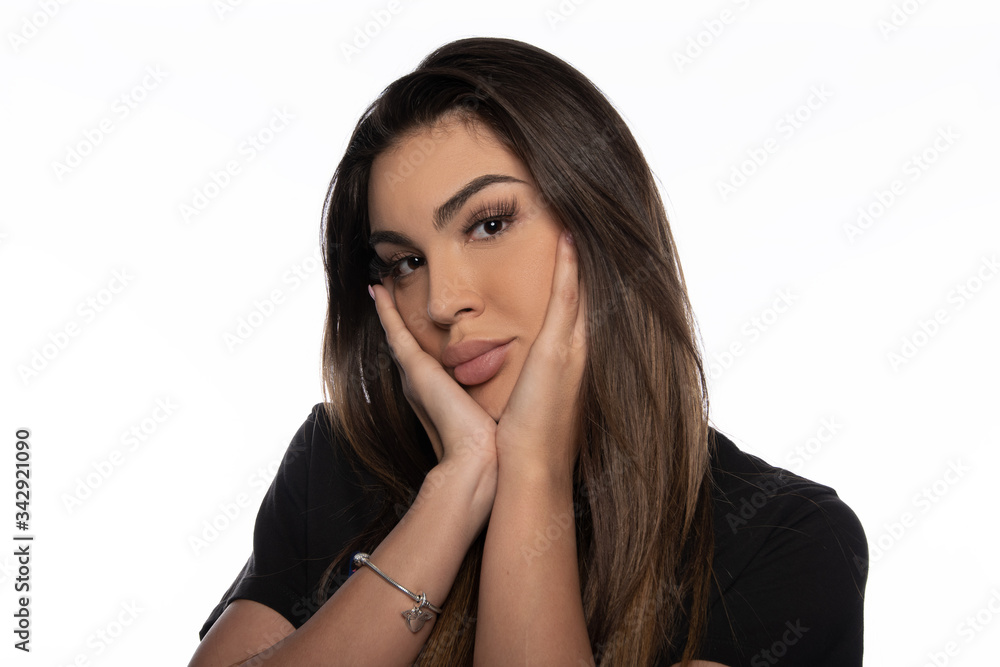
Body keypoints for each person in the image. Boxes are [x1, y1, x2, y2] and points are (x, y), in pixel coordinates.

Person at [190, 37, 868, 666]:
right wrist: (452, 495)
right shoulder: (337, 464)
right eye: (404, 262)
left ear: (599, 219)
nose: (441, 300)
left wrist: (532, 472)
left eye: (489, 223)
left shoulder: (786, 538)